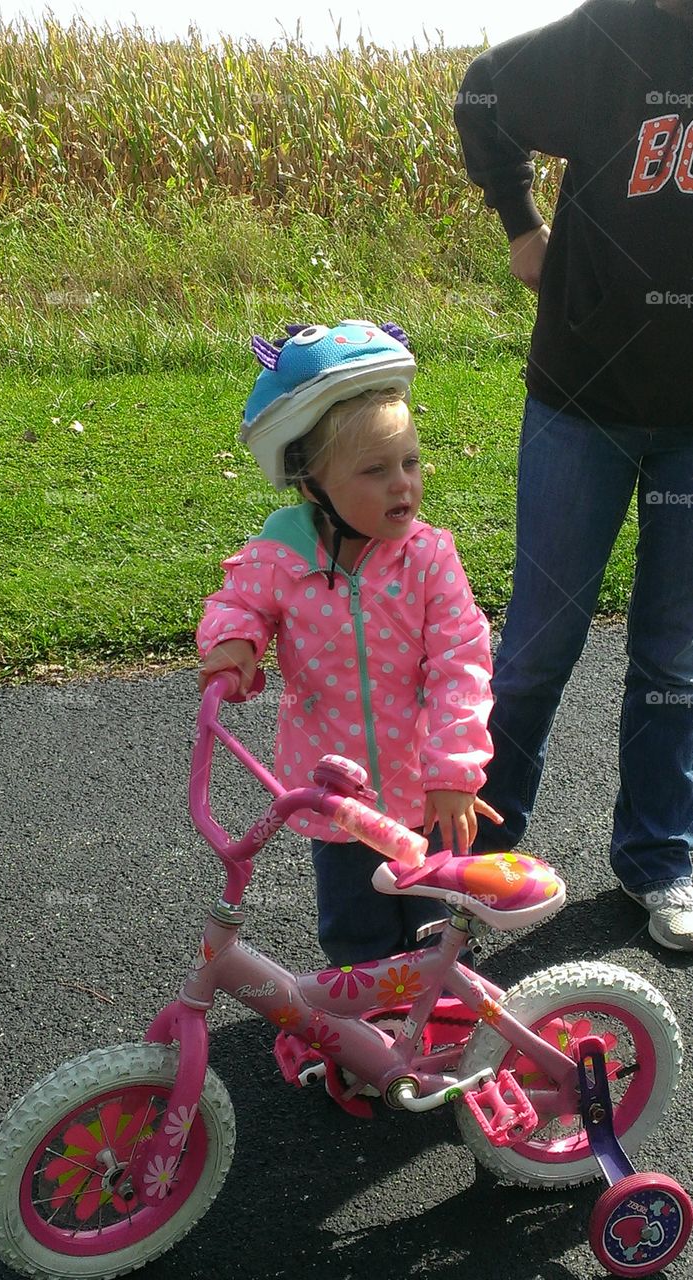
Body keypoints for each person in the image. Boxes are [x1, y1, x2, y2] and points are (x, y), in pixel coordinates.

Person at [454, 0, 693, 950]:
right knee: (536, 649)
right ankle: (479, 864)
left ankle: (660, 861)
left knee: (676, 659)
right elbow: (481, 94)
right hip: (579, 404)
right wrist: (520, 224)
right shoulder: (608, 33)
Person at [197, 319, 501, 965]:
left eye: (410, 463)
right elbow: (239, 602)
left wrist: (452, 770)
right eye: (375, 470)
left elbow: (461, 664)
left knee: (435, 928)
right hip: (335, 797)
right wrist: (233, 646)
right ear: (312, 485)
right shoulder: (281, 554)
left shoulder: (427, 560)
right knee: (354, 931)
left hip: (426, 790)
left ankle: (436, 1033)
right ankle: (360, 1044)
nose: (403, 484)